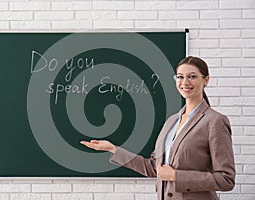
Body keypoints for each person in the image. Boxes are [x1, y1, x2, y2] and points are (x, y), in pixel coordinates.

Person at [81, 56, 235, 200]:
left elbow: (226, 179)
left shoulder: (215, 121)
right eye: (180, 76)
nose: (185, 82)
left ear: (206, 80)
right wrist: (113, 149)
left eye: (192, 76)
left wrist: (176, 176)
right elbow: (153, 168)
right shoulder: (171, 122)